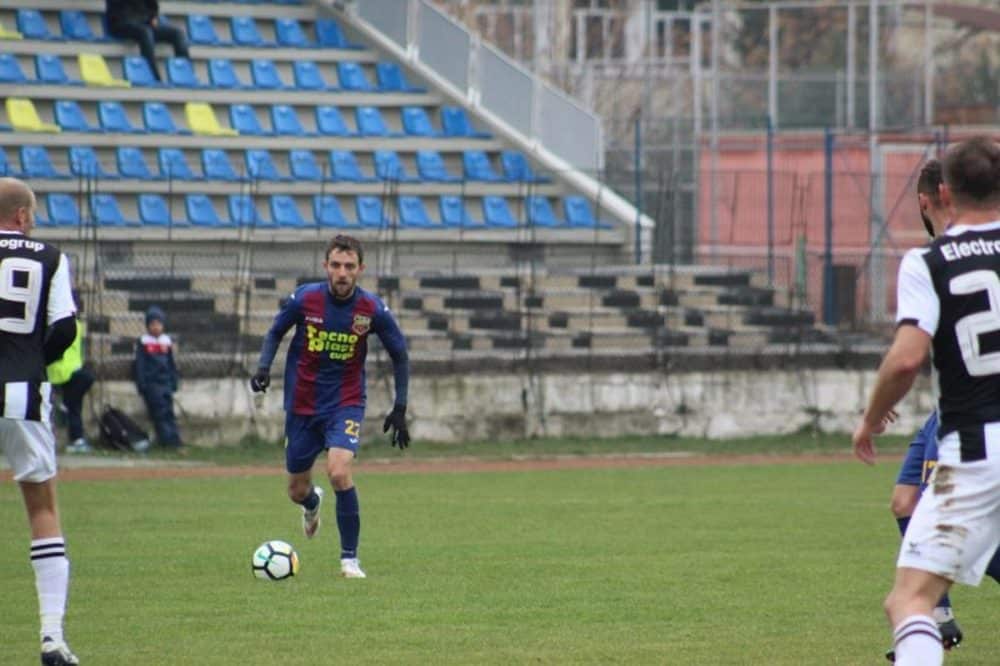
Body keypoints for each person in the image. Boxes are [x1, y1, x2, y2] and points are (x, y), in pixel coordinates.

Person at [853, 136, 1000, 666]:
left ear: (944, 193)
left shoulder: (929, 262)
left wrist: (870, 419)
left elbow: (906, 359)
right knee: (906, 504)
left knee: (911, 601)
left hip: (977, 445)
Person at [250, 234, 410, 579]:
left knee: (338, 471)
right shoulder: (305, 299)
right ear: (326, 266)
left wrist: (400, 406)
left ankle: (349, 560)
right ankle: (312, 503)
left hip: (345, 403)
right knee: (296, 490)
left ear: (360, 269)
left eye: (349, 266)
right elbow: (275, 332)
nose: (342, 272)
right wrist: (263, 367)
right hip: (302, 405)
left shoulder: (371, 309)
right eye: (336, 265)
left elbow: (399, 354)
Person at [0, 177, 80, 665]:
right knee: (42, 508)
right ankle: (52, 637)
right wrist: (32, 361)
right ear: (23, 216)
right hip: (22, 391)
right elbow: (65, 328)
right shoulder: (50, 257)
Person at [47, 295, 94, 454]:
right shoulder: (74, 325)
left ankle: (73, 435)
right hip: (66, 372)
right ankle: (75, 437)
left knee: (71, 404)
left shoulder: (61, 325)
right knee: (73, 405)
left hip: (62, 373)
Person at [105, 0, 189, 82]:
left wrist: (153, 16)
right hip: (121, 22)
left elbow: (153, 5)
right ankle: (155, 78)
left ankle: (185, 75)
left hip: (144, 23)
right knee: (145, 32)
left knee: (178, 34)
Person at [134, 305, 182, 450]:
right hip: (152, 384)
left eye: (158, 324)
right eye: (152, 324)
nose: (156, 327)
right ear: (148, 326)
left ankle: (175, 439)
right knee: (160, 412)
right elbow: (140, 364)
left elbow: (171, 363)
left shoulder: (166, 341)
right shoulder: (143, 342)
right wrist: (142, 383)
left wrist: (174, 381)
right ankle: (167, 441)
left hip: (165, 382)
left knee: (169, 411)